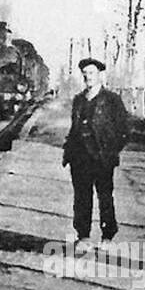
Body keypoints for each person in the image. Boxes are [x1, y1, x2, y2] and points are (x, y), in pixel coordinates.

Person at [61, 57, 130, 243]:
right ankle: (83, 236)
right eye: (85, 74)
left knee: (105, 198)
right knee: (82, 199)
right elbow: (74, 128)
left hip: (102, 158)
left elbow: (124, 130)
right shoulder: (78, 100)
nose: (87, 77)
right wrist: (68, 151)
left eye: (91, 73)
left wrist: (111, 151)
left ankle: (107, 236)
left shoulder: (112, 100)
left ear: (99, 75)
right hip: (80, 159)